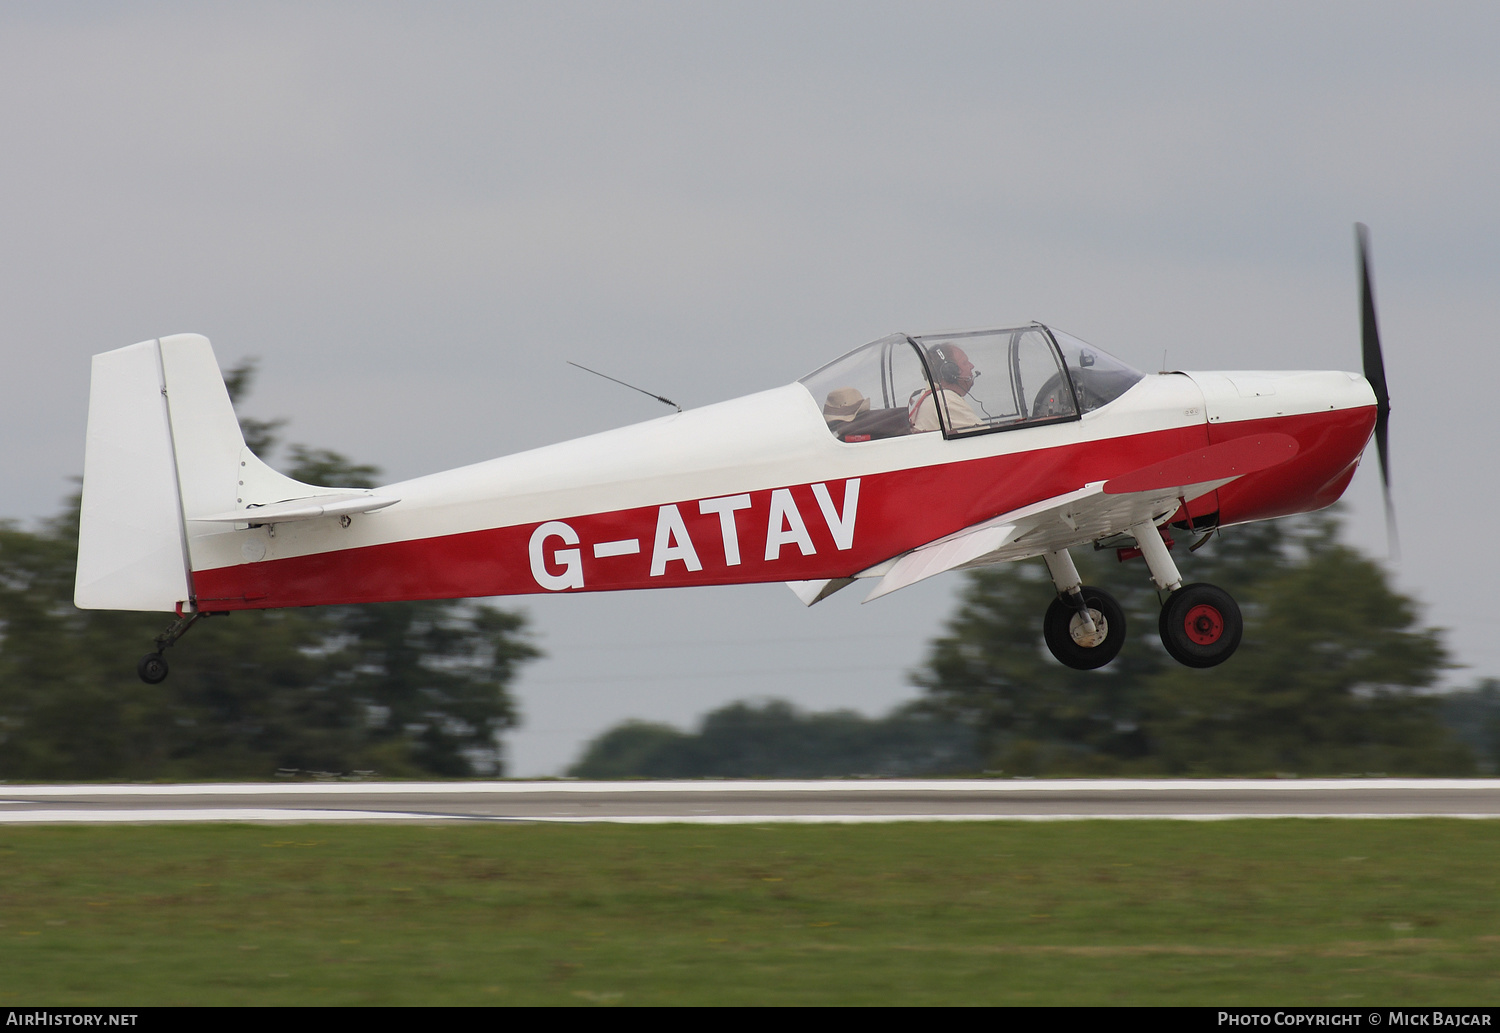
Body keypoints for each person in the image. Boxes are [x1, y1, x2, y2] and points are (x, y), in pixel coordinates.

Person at [909, 343, 982, 432]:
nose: (972, 366)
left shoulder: (933, 396)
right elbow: (986, 437)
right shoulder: (945, 400)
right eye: (965, 362)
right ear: (950, 372)